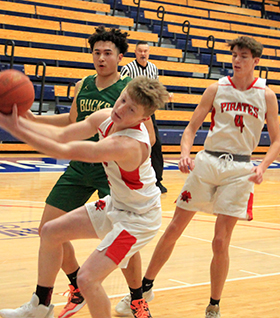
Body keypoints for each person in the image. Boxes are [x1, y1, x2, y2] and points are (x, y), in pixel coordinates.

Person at [116, 36, 280, 318]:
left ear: (256, 61)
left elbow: (276, 139)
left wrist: (263, 166)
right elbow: (192, 128)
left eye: (243, 56)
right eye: (234, 55)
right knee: (174, 228)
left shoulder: (266, 95)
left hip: (240, 169)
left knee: (220, 241)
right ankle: (145, 288)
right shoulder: (216, 88)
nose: (237, 60)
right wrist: (184, 153)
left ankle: (214, 304)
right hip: (208, 162)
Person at [1, 25, 154, 318]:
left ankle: (136, 299)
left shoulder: (129, 93)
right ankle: (65, 289)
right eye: (96, 52)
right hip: (80, 166)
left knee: (125, 243)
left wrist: (126, 157)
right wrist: (35, 119)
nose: (101, 58)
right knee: (47, 230)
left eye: (108, 53)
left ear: (120, 57)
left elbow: (149, 136)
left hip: (111, 171)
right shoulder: (83, 83)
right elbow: (71, 122)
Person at [120, 40, 167, 194]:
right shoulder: (128, 69)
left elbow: (157, 90)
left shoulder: (153, 68)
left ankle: (157, 181)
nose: (143, 54)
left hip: (148, 113)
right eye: (140, 51)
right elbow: (123, 89)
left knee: (155, 144)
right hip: (131, 113)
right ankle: (126, 179)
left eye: (145, 51)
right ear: (135, 52)